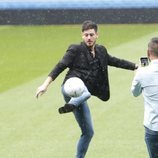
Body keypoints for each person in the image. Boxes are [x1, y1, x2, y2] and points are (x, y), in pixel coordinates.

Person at [36, 20, 138, 158]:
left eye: (91, 34)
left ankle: (74, 106)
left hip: (81, 97)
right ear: (82, 36)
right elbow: (60, 66)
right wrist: (45, 85)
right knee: (81, 89)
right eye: (86, 35)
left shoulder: (101, 51)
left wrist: (135, 66)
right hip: (70, 87)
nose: (88, 38)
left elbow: (115, 61)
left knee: (88, 132)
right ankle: (73, 102)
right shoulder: (75, 49)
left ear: (97, 35)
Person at [131, 37, 158, 158]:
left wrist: (136, 75)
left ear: (148, 53)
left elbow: (135, 93)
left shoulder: (142, 73)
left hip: (152, 127)